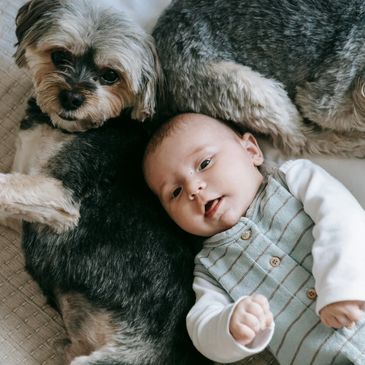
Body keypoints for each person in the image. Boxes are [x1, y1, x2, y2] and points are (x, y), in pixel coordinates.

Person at [143, 113, 365, 365]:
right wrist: (231, 326)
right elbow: (201, 327)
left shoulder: (294, 179)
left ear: (250, 150)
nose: (193, 188)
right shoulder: (210, 270)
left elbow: (342, 218)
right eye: (175, 192)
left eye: (204, 163)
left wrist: (341, 287)